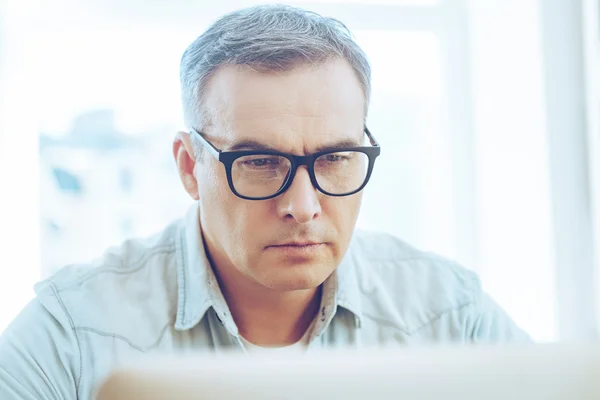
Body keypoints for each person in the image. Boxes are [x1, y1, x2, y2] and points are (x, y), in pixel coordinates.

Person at [0, 4, 530, 399]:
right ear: (190, 166)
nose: (303, 206)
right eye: (258, 162)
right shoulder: (70, 335)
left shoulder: (451, 314)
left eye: (335, 158)